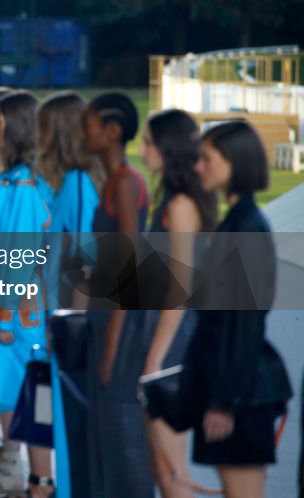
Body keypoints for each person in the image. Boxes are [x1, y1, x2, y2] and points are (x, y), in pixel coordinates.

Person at [184, 120, 291, 498]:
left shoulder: (244, 226)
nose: (198, 167)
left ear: (235, 162)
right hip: (239, 387)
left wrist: (224, 401)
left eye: (207, 158)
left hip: (241, 393)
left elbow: (243, 321)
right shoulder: (237, 222)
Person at [0, 90, 54, 497]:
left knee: (13, 390)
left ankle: (20, 473)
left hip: (17, 312)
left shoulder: (21, 186)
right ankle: (34, 477)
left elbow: (16, 255)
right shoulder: (18, 180)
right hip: (20, 306)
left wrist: (0, 312)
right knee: (24, 390)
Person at [138, 109, 216, 498]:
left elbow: (179, 287)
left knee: (171, 469)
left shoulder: (182, 205)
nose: (141, 149)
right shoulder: (169, 199)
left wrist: (155, 357)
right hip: (160, 331)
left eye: (149, 142)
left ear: (169, 149)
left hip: (171, 338)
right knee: (162, 465)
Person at [80, 92, 153, 498]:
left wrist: (111, 344)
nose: (81, 133)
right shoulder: (109, 182)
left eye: (88, 125)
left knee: (121, 430)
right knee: (102, 429)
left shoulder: (126, 184)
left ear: (111, 132)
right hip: (101, 312)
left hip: (117, 320)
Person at [36, 91, 100, 498]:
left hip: (64, 317)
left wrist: (71, 324)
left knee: (60, 413)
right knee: (45, 407)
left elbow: (87, 260)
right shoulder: (66, 184)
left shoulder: (78, 185)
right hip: (51, 311)